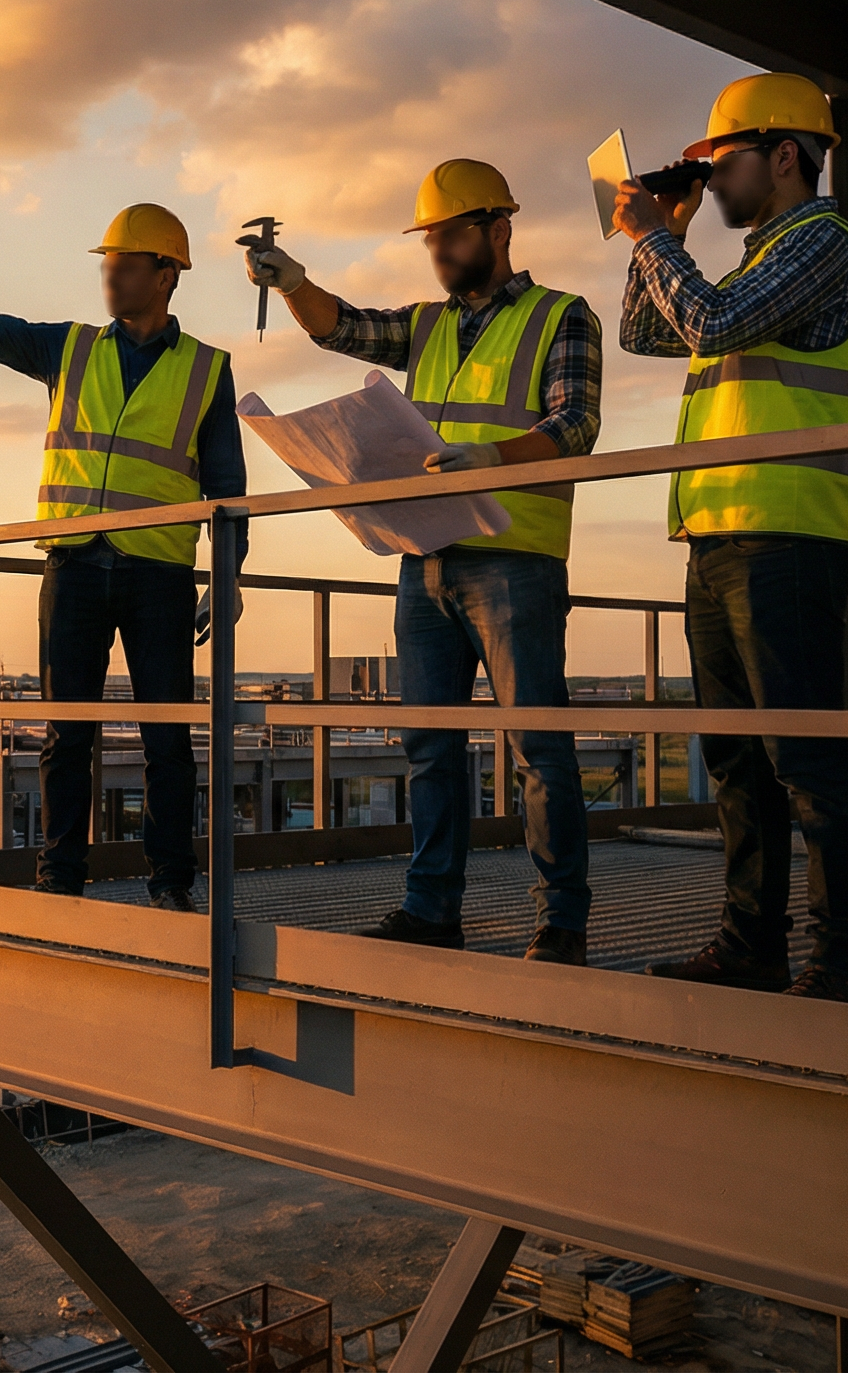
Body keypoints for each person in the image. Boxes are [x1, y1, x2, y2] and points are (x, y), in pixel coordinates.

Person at [249, 160, 600, 964]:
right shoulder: (429, 325)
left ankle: (562, 924)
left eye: (450, 233)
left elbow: (577, 424)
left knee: (538, 747)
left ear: (499, 230)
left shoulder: (561, 316)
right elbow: (347, 328)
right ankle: (431, 909)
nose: (437, 249)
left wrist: (494, 457)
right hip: (426, 561)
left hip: (516, 560)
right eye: (431, 237)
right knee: (428, 746)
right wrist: (295, 282)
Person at [0, 206, 246, 910]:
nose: (109, 275)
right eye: (106, 263)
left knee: (168, 740)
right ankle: (60, 875)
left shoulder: (209, 371)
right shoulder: (71, 348)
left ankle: (171, 882)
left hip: (159, 574)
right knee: (66, 735)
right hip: (74, 566)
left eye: (124, 264)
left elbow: (228, 490)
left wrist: (229, 576)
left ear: (166, 275)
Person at [615, 72, 848, 1006]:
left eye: (721, 163)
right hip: (719, 536)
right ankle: (751, 945)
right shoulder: (750, 260)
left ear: (784, 157)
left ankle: (845, 966)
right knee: (735, 757)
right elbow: (648, 332)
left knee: (803, 759)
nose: (712, 178)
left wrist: (654, 235)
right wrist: (668, 234)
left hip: (789, 538)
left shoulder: (823, 247)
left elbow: (713, 321)